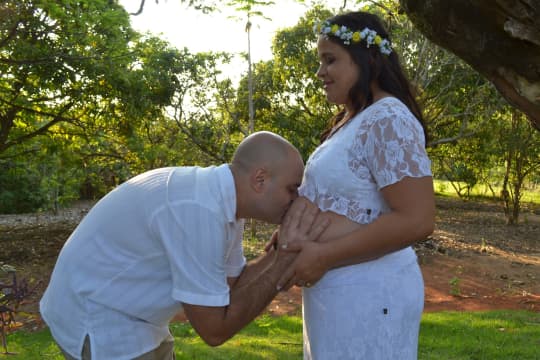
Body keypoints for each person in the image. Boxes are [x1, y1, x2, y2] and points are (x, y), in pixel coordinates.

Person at [40, 131, 329, 360]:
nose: (295, 200)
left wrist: (281, 251)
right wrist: (284, 259)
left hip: (138, 318)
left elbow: (230, 287)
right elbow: (215, 330)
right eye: (292, 189)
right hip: (100, 318)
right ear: (260, 180)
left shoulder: (223, 203)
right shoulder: (199, 210)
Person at [276, 11, 436, 359]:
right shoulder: (353, 121)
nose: (320, 72)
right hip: (340, 292)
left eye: (330, 60)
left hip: (369, 292)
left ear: (370, 59)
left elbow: (417, 219)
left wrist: (323, 255)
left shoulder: (388, 118)